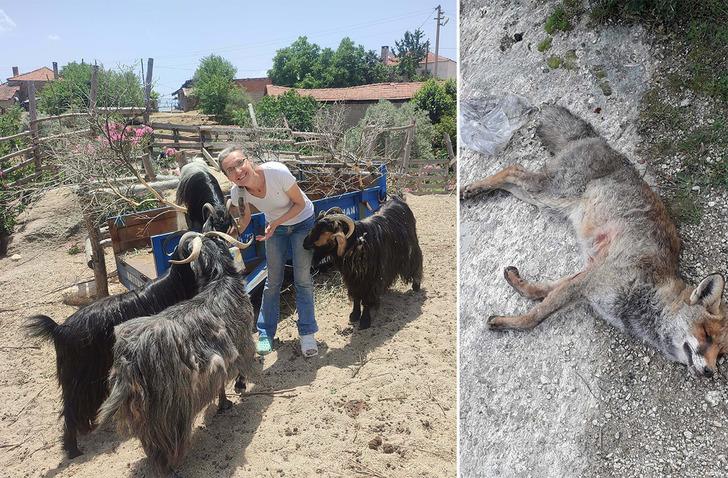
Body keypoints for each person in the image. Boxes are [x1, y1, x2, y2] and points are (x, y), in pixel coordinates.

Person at [219, 147, 318, 357]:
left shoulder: (277, 173)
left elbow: (300, 203)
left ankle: (307, 333)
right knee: (272, 281)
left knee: (302, 279)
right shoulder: (239, 193)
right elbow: (244, 220)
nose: (237, 171)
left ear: (250, 160)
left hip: (302, 222)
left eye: (239, 163)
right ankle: (265, 333)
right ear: (227, 175)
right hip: (275, 227)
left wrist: (275, 224)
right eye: (230, 170)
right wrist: (229, 237)